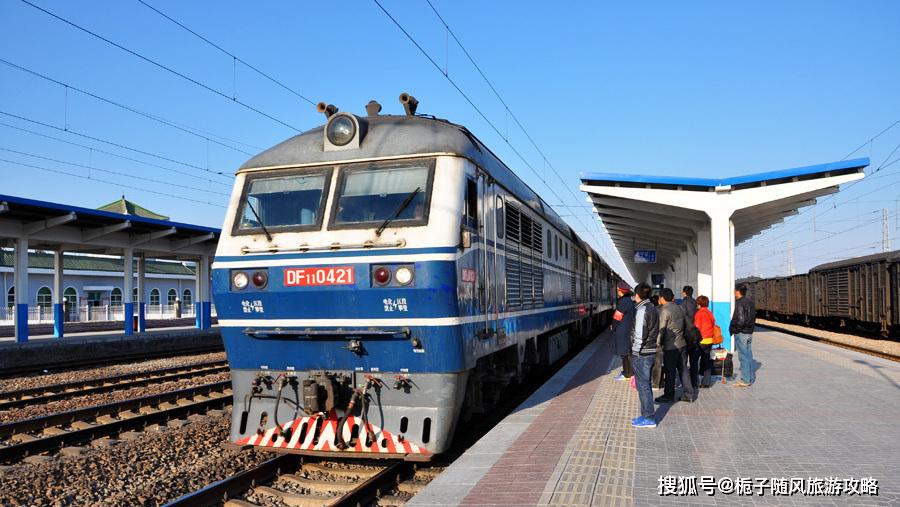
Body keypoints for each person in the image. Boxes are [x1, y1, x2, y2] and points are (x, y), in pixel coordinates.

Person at [656, 288, 695, 403]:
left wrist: (657, 344)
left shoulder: (665, 310)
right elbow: (686, 325)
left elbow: (661, 329)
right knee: (683, 369)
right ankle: (689, 394)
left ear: (662, 298)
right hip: (682, 344)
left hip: (671, 346)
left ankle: (668, 395)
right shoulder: (680, 307)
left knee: (670, 371)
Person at [629, 283, 659, 428]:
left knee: (643, 386)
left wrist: (635, 351)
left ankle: (648, 417)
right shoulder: (652, 307)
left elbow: (640, 334)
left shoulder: (642, 310)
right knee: (644, 385)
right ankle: (646, 415)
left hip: (642, 353)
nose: (633, 297)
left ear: (638, 295)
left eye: (634, 294)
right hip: (650, 351)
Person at [730, 284, 757, 387]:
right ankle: (749, 378)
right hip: (749, 332)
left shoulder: (740, 303)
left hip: (742, 333)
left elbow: (741, 320)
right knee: (749, 356)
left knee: (743, 357)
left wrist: (735, 330)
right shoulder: (750, 302)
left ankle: (745, 380)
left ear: (737, 291)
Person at [611, 282, 635, 381]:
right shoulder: (629, 301)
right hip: (627, 329)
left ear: (621, 291)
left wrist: (613, 326)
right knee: (626, 353)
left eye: (618, 290)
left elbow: (617, 317)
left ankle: (627, 374)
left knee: (624, 353)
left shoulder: (622, 302)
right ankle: (628, 373)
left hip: (623, 330)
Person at [680, 285, 700, 390]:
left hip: (686, 334)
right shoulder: (696, 303)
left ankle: (686, 384)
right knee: (694, 361)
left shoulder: (683, 304)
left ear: (684, 293)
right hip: (695, 334)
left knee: (683, 361)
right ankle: (695, 382)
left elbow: (682, 320)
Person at [694, 295, 715, 388]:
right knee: (706, 361)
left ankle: (695, 381)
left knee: (694, 361)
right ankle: (706, 382)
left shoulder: (699, 314)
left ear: (699, 304)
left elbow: (697, 328)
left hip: (701, 341)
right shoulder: (710, 313)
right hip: (709, 340)